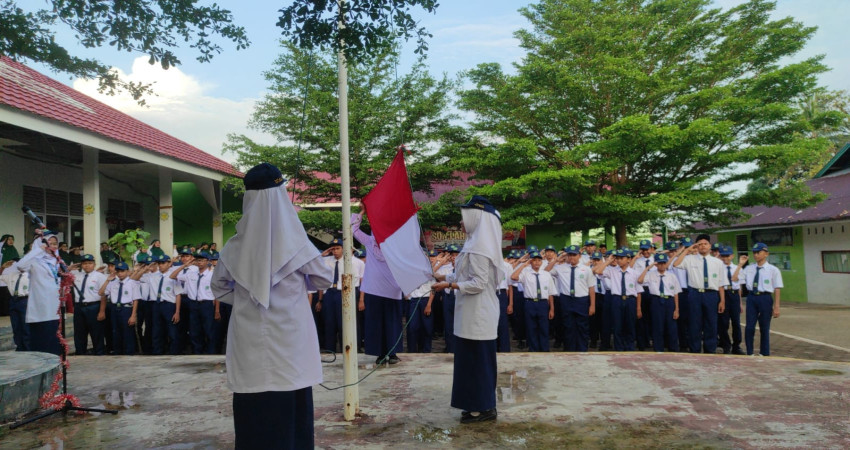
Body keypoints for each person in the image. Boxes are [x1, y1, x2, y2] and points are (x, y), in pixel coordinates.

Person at [210, 162, 332, 449]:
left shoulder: (233, 247)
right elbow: (324, 278)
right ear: (279, 195)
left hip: (250, 346)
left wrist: (245, 298)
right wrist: (296, 288)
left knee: (255, 417)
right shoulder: (297, 244)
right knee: (291, 418)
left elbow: (218, 288)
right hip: (291, 347)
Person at [432, 195, 502, 424]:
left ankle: (484, 407)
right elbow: (464, 276)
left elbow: (478, 283)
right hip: (470, 314)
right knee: (469, 362)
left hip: (479, 315)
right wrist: (442, 276)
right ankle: (474, 404)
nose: (460, 223)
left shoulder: (480, 249)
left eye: (463, 218)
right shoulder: (473, 245)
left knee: (478, 362)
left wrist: (450, 285)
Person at [352, 211, 405, 364]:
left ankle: (393, 353)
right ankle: (380, 354)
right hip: (373, 290)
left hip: (393, 290)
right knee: (375, 323)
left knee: (392, 323)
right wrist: (361, 212)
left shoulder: (395, 246)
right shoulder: (369, 242)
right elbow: (353, 229)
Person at [672, 234, 728, 354]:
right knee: (694, 323)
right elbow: (676, 264)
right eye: (700, 244)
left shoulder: (717, 262)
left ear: (710, 246)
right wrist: (687, 249)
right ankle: (695, 349)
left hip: (711, 295)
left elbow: (721, 283)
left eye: (705, 244)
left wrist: (722, 300)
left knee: (711, 323)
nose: (703, 246)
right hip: (695, 294)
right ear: (696, 246)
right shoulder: (689, 259)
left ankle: (710, 349)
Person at [16, 230, 65, 355]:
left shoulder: (57, 263)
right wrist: (39, 250)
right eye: (50, 243)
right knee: (42, 348)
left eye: (55, 244)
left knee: (55, 346)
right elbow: (20, 265)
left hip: (55, 309)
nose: (53, 246)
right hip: (41, 311)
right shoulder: (34, 262)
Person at [548, 245, 596, 352]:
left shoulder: (586, 269)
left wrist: (592, 305)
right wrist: (556, 260)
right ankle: (569, 349)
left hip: (582, 300)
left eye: (574, 255)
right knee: (568, 326)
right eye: (569, 255)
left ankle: (582, 349)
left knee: (582, 326)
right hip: (566, 300)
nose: (571, 258)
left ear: (579, 256)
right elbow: (546, 271)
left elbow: (591, 288)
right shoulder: (560, 268)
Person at [739, 243, 783, 356]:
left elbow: (777, 288)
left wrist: (776, 307)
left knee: (764, 327)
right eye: (754, 252)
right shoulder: (749, 268)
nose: (756, 255)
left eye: (758, 252)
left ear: (766, 254)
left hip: (765, 298)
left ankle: (765, 353)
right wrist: (740, 265)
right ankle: (749, 352)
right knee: (749, 327)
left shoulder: (773, 270)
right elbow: (735, 279)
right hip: (752, 297)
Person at [594, 249, 641, 351]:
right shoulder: (612, 271)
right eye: (617, 258)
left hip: (630, 300)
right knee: (617, 325)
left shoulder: (635, 273)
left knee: (630, 324)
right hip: (616, 299)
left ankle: (629, 347)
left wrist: (638, 308)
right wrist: (608, 261)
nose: (619, 260)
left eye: (621, 258)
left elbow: (638, 291)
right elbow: (598, 271)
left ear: (628, 259)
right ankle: (619, 347)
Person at [511, 251, 556, 352]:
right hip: (530, 303)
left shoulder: (546, 274)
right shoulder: (526, 273)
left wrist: (552, 308)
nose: (536, 262)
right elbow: (513, 277)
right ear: (531, 262)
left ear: (541, 262)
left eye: (539, 260)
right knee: (531, 328)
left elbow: (551, 292)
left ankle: (544, 350)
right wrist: (524, 265)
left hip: (543, 303)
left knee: (544, 328)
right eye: (534, 260)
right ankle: (533, 350)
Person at [173, 251, 217, 354]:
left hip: (206, 304)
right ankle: (197, 352)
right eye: (197, 260)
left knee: (209, 329)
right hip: (193, 304)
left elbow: (216, 293)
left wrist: (216, 309)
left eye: (202, 260)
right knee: (194, 330)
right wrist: (184, 265)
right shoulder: (191, 274)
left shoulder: (211, 275)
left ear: (207, 261)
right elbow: (172, 276)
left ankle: (210, 353)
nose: (199, 262)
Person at [637, 253, 682, 352]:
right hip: (656, 301)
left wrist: (677, 309)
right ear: (656, 264)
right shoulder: (651, 274)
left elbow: (676, 293)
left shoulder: (672, 276)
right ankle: (658, 348)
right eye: (659, 263)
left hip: (669, 301)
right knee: (657, 326)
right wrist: (648, 267)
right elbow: (640, 280)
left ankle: (673, 348)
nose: (662, 265)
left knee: (671, 326)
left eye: (664, 263)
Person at [99, 261, 140, 355]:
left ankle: (129, 352)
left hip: (126, 309)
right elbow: (101, 293)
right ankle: (118, 351)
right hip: (114, 309)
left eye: (122, 271)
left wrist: (133, 315)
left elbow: (136, 300)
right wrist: (107, 280)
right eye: (118, 271)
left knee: (127, 332)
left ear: (127, 271)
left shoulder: (132, 283)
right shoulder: (113, 283)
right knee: (115, 331)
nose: (120, 274)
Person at [71, 254, 108, 355]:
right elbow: (62, 274)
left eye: (90, 263)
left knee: (96, 332)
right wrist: (69, 268)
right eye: (84, 263)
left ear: (94, 264)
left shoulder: (100, 276)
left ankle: (99, 353)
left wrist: (102, 311)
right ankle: (80, 353)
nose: (87, 266)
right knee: (79, 332)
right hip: (79, 306)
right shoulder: (76, 276)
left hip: (94, 306)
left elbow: (103, 295)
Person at [148, 255, 183, 355]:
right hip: (156, 305)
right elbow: (135, 277)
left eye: (163, 263)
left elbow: (178, 295)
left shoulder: (173, 276)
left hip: (169, 305)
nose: (160, 265)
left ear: (169, 264)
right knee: (157, 330)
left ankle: (174, 352)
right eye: (159, 263)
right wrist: (147, 268)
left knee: (172, 331)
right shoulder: (153, 276)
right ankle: (158, 352)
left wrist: (177, 312)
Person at [317, 238, 344, 353]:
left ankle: (345, 349)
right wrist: (323, 254)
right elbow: (316, 262)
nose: (335, 251)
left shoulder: (349, 261)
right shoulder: (327, 260)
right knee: (329, 323)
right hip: (329, 293)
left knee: (343, 323)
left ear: (343, 249)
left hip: (342, 292)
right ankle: (330, 350)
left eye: (338, 248)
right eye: (333, 249)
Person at [718, 246, 745, 355]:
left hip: (734, 295)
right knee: (723, 323)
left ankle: (736, 345)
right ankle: (726, 344)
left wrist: (740, 302)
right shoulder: (718, 267)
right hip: (723, 294)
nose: (725, 258)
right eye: (723, 256)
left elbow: (737, 283)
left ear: (732, 256)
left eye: (727, 256)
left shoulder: (738, 268)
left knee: (736, 322)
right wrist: (722, 300)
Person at [435, 244, 461, 353]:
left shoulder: (465, 268)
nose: (454, 257)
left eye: (457, 254)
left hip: (460, 297)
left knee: (460, 324)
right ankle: (450, 347)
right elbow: (433, 274)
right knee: (449, 324)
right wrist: (441, 261)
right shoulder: (446, 267)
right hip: (448, 297)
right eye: (452, 255)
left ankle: (461, 348)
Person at [1, 258, 30, 350]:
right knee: (16, 326)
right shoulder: (12, 275)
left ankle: (28, 348)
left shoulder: (31, 275)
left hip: (25, 300)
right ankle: (19, 347)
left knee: (25, 327)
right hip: (13, 300)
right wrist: (2, 268)